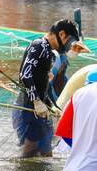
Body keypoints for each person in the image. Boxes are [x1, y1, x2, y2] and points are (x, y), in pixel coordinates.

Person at [13, 19, 81, 158]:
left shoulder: (49, 52)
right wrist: (36, 101)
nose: (69, 47)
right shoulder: (39, 45)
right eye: (70, 41)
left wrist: (52, 106)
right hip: (28, 107)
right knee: (30, 149)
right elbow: (25, 75)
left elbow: (44, 84)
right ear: (61, 34)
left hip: (41, 109)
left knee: (46, 151)